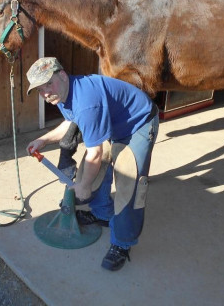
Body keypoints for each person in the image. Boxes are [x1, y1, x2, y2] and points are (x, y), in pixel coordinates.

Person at [26, 57, 159, 271]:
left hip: (138, 124)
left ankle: (122, 244)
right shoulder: (63, 94)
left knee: (129, 183)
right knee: (92, 175)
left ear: (62, 75)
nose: (45, 93)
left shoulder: (87, 101)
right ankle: (102, 213)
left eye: (48, 84)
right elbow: (72, 121)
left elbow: (94, 154)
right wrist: (43, 140)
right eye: (40, 90)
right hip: (112, 124)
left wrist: (83, 187)